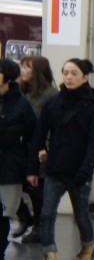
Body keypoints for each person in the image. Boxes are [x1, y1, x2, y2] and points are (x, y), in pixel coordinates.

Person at [29, 59, 94, 260]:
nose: (69, 77)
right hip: (55, 167)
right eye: (65, 72)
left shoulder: (93, 107)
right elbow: (39, 135)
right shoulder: (53, 103)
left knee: (81, 215)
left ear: (85, 77)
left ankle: (88, 246)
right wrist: (32, 168)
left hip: (79, 170)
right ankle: (50, 258)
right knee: (46, 214)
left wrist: (86, 170)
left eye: (74, 73)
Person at [12, 56, 57, 243]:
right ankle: (26, 217)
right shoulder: (23, 92)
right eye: (21, 67)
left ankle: (38, 228)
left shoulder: (50, 95)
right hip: (23, 147)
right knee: (17, 184)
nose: (23, 70)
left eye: (27, 67)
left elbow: (51, 125)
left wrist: (47, 148)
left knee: (37, 190)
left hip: (40, 149)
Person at [0, 59, 36, 260]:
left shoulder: (21, 103)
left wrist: (31, 167)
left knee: (5, 212)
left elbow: (32, 135)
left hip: (10, 166)